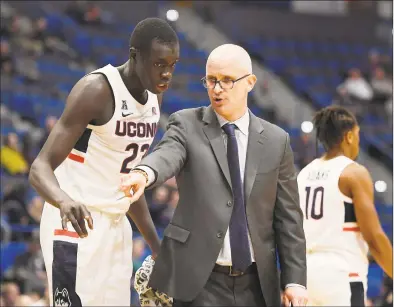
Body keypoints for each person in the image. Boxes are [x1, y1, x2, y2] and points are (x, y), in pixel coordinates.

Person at [121, 44, 308, 307]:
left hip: (257, 284)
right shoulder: (186, 123)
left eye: (227, 81)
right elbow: (167, 153)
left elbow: (289, 218)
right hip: (198, 281)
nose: (217, 89)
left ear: (250, 82)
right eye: (211, 80)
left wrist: (295, 281)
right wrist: (144, 172)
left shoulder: (278, 141)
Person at [28, 17, 179, 306]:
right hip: (75, 222)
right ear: (135, 56)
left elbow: (127, 180)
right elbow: (39, 168)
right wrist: (62, 200)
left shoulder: (154, 101)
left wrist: (157, 248)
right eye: (160, 64)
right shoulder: (96, 89)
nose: (167, 74)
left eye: (173, 65)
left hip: (116, 225)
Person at [297, 106, 393, 306]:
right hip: (341, 275)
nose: (358, 141)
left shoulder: (304, 173)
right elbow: (374, 237)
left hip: (306, 275)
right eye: (357, 135)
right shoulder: (353, 172)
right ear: (349, 136)